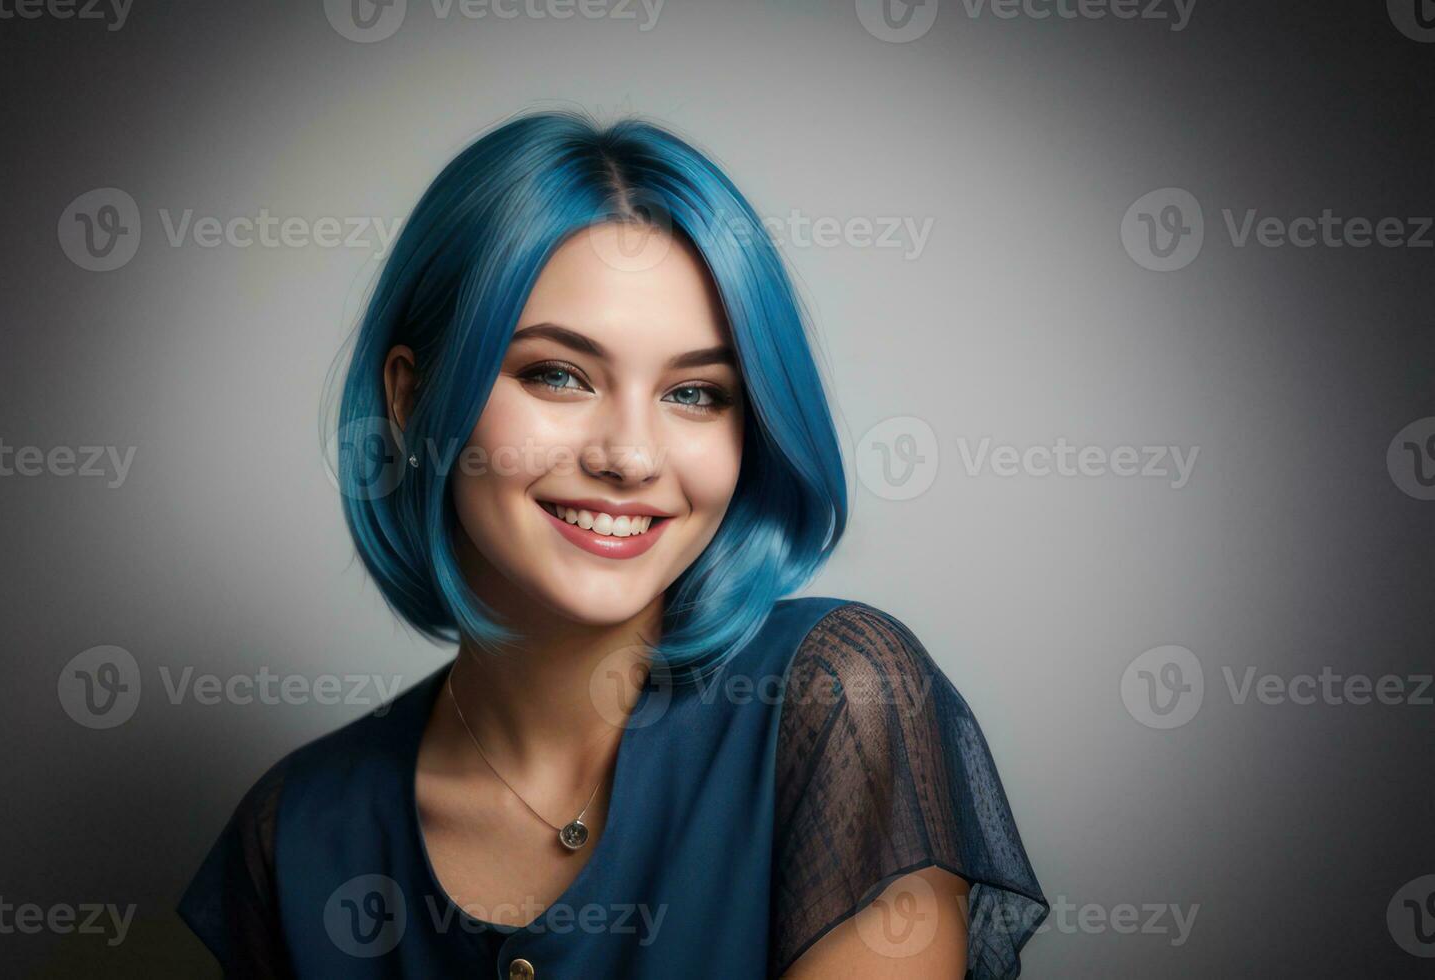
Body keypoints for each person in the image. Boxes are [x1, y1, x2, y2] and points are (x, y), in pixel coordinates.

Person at [177, 109, 1047, 978]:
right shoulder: (292, 835)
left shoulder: (842, 703)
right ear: (410, 399)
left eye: (697, 393)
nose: (629, 456)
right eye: (558, 374)